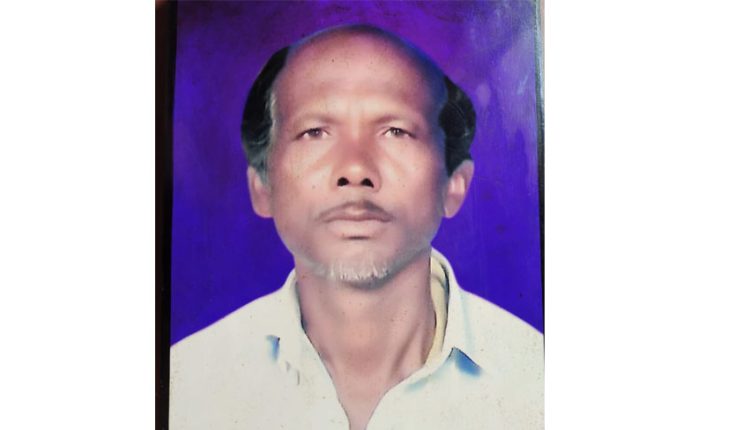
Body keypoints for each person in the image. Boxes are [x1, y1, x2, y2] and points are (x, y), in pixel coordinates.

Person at [170, 24, 543, 430]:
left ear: (454, 184)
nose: (354, 168)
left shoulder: (537, 379)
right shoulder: (188, 384)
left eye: (396, 131)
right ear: (262, 187)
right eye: (315, 132)